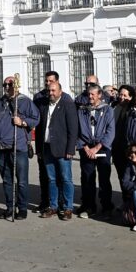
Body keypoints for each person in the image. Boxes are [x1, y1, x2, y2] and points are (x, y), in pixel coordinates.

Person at [0, 76, 39, 220]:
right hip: (2, 147)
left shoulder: (24, 101)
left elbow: (36, 119)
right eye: (5, 85)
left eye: (10, 84)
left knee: (22, 181)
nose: (7, 87)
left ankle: (22, 208)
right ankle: (10, 207)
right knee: (7, 180)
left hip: (18, 147)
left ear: (16, 85)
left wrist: (22, 122)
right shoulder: (0, 103)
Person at [36, 82, 79, 220]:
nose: (51, 93)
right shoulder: (44, 105)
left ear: (60, 91)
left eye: (54, 90)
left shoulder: (67, 105)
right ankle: (53, 206)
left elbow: (73, 129)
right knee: (51, 179)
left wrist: (71, 148)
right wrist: (39, 149)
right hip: (47, 148)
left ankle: (68, 208)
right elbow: (40, 129)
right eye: (49, 91)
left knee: (66, 179)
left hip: (63, 149)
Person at [76, 83, 115, 220]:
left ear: (99, 95)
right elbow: (77, 130)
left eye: (93, 94)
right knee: (87, 178)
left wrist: (97, 147)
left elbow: (110, 131)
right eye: (89, 94)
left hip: (102, 148)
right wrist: (85, 147)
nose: (90, 97)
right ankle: (89, 206)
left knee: (104, 179)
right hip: (86, 148)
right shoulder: (82, 110)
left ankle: (106, 207)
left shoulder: (108, 110)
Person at [33, 70, 59, 212]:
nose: (48, 83)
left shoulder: (62, 97)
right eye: (46, 81)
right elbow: (35, 119)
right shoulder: (39, 97)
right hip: (42, 141)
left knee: (58, 174)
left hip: (57, 142)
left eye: (51, 81)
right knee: (43, 173)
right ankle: (44, 201)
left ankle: (58, 202)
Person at [111, 85, 135, 193]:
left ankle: (132, 200)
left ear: (130, 97)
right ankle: (125, 199)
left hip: (128, 148)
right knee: (121, 176)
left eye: (125, 95)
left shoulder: (132, 110)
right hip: (116, 148)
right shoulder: (114, 107)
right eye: (120, 94)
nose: (122, 97)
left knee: (130, 176)